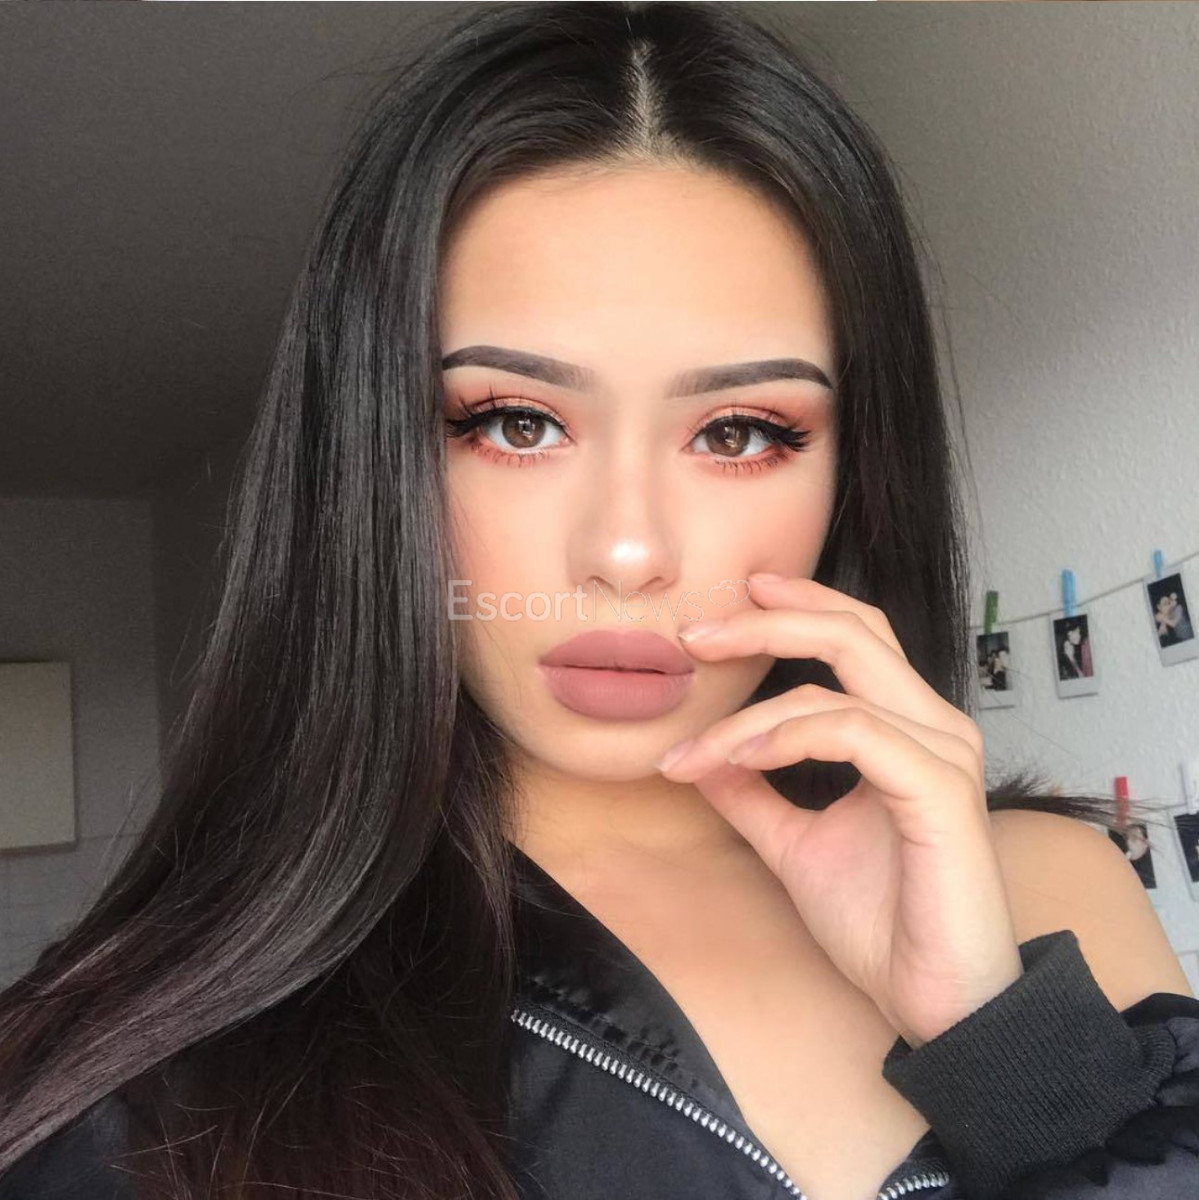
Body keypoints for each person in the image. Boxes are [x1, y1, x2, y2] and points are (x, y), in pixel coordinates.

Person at [1, 3, 1196, 1199]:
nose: (625, 552)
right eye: (516, 424)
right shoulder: (145, 1081)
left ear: (855, 473)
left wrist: (1000, 1040)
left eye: (737, 432)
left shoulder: (1044, 890)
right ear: (370, 459)